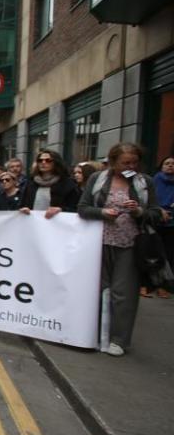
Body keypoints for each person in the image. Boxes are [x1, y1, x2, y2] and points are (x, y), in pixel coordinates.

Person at [78, 143, 163, 356]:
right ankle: (93, 334)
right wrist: (102, 212)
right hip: (98, 242)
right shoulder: (97, 180)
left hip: (130, 244)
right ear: (113, 161)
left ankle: (119, 340)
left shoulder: (145, 182)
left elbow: (155, 213)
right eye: (125, 163)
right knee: (94, 290)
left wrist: (139, 212)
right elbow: (83, 208)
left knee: (123, 294)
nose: (130, 166)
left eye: (134, 162)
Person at [19, 149, 80, 219]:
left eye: (48, 160)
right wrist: (24, 209)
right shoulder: (31, 183)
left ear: (56, 162)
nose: (43, 162)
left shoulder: (67, 183)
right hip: (34, 223)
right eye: (40, 160)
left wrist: (61, 209)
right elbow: (22, 204)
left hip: (57, 224)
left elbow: (75, 208)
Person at [151, 155, 174, 299]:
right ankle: (151, 283)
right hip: (156, 220)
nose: (171, 165)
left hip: (172, 223)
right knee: (153, 253)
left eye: (173, 163)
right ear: (161, 166)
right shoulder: (154, 180)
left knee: (170, 254)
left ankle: (165, 285)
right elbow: (149, 200)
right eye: (167, 163)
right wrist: (159, 210)